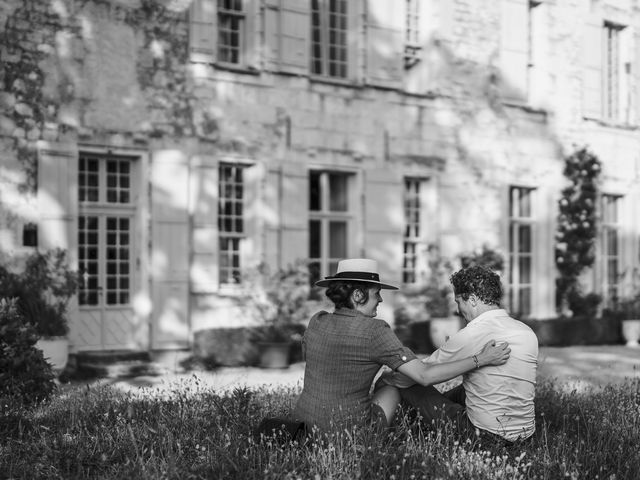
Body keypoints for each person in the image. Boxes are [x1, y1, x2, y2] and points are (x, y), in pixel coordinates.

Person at [292, 258, 511, 434]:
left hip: (303, 425)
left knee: (390, 377)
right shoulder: (374, 331)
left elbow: (311, 357)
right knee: (394, 385)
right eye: (376, 293)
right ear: (358, 295)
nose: (380, 300)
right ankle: (420, 425)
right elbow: (425, 376)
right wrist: (481, 359)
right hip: (347, 432)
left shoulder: (316, 320)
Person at [380, 265, 539, 443]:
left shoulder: (472, 333)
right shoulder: (527, 331)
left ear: (471, 299)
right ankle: (414, 423)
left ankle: (388, 431)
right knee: (467, 389)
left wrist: (387, 378)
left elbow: (419, 374)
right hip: (526, 434)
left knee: (408, 382)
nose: (458, 310)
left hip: (483, 435)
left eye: (458, 302)